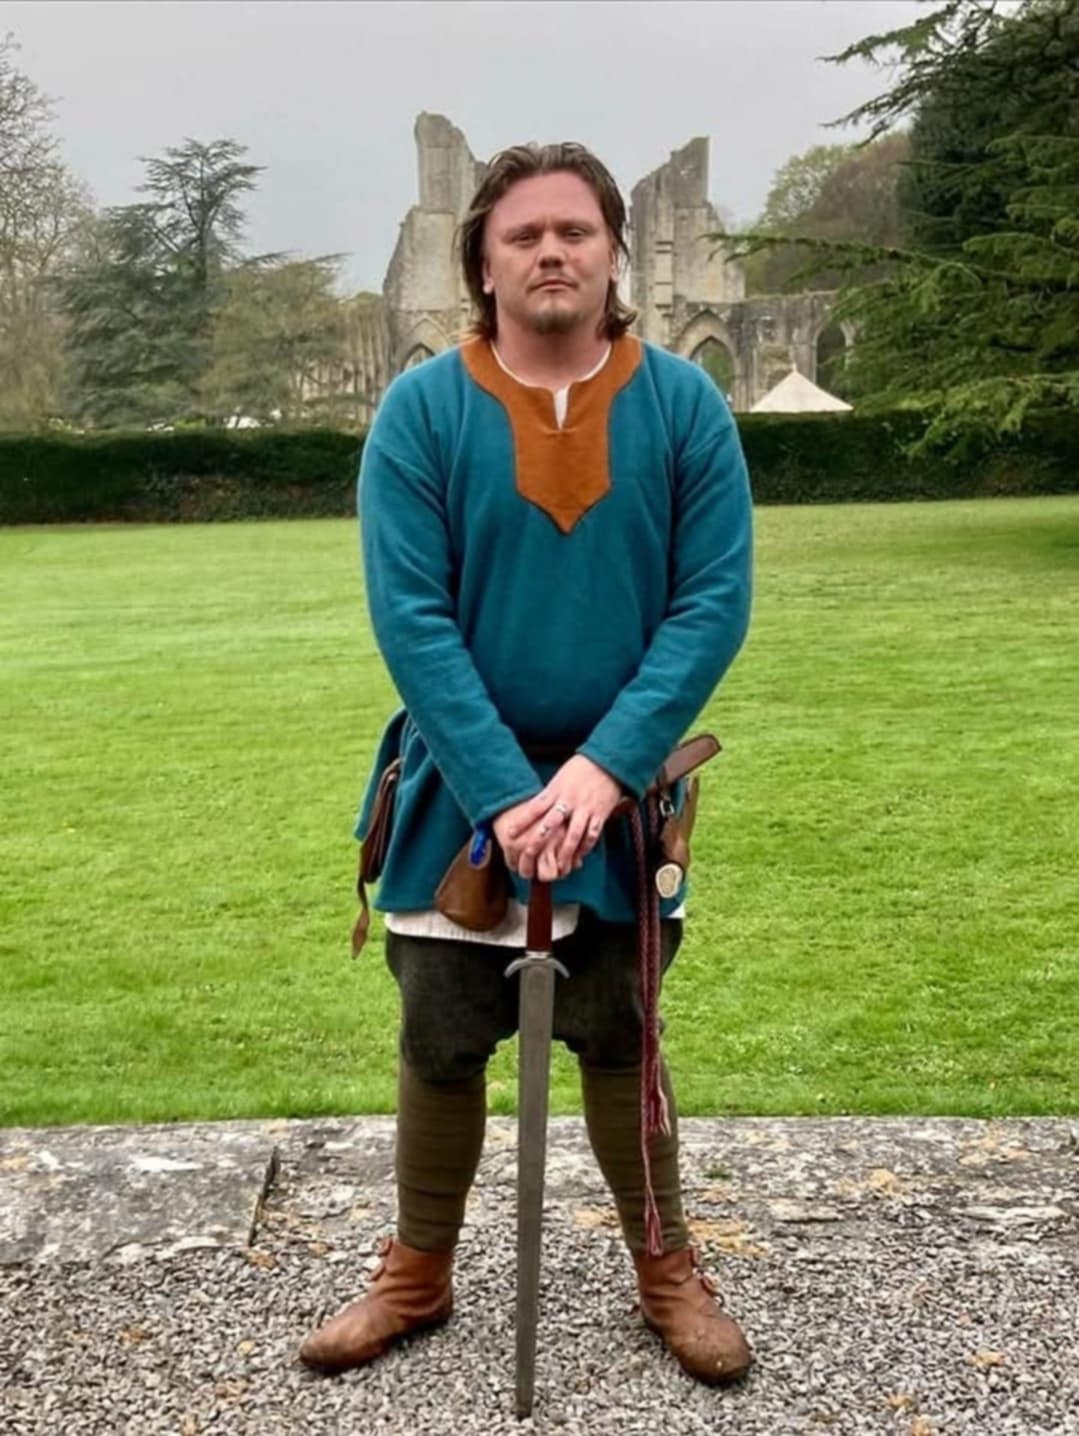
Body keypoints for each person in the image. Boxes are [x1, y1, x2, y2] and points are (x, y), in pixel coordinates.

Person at [299, 141, 753, 1386]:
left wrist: (605, 769)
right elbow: (412, 618)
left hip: (619, 795)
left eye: (574, 231)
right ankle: (417, 1267)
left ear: (612, 254)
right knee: (439, 1033)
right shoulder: (423, 411)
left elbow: (708, 602)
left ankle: (662, 1263)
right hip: (459, 789)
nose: (550, 250)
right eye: (523, 234)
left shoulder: (681, 406)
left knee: (620, 1031)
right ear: (483, 261)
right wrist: (504, 789)